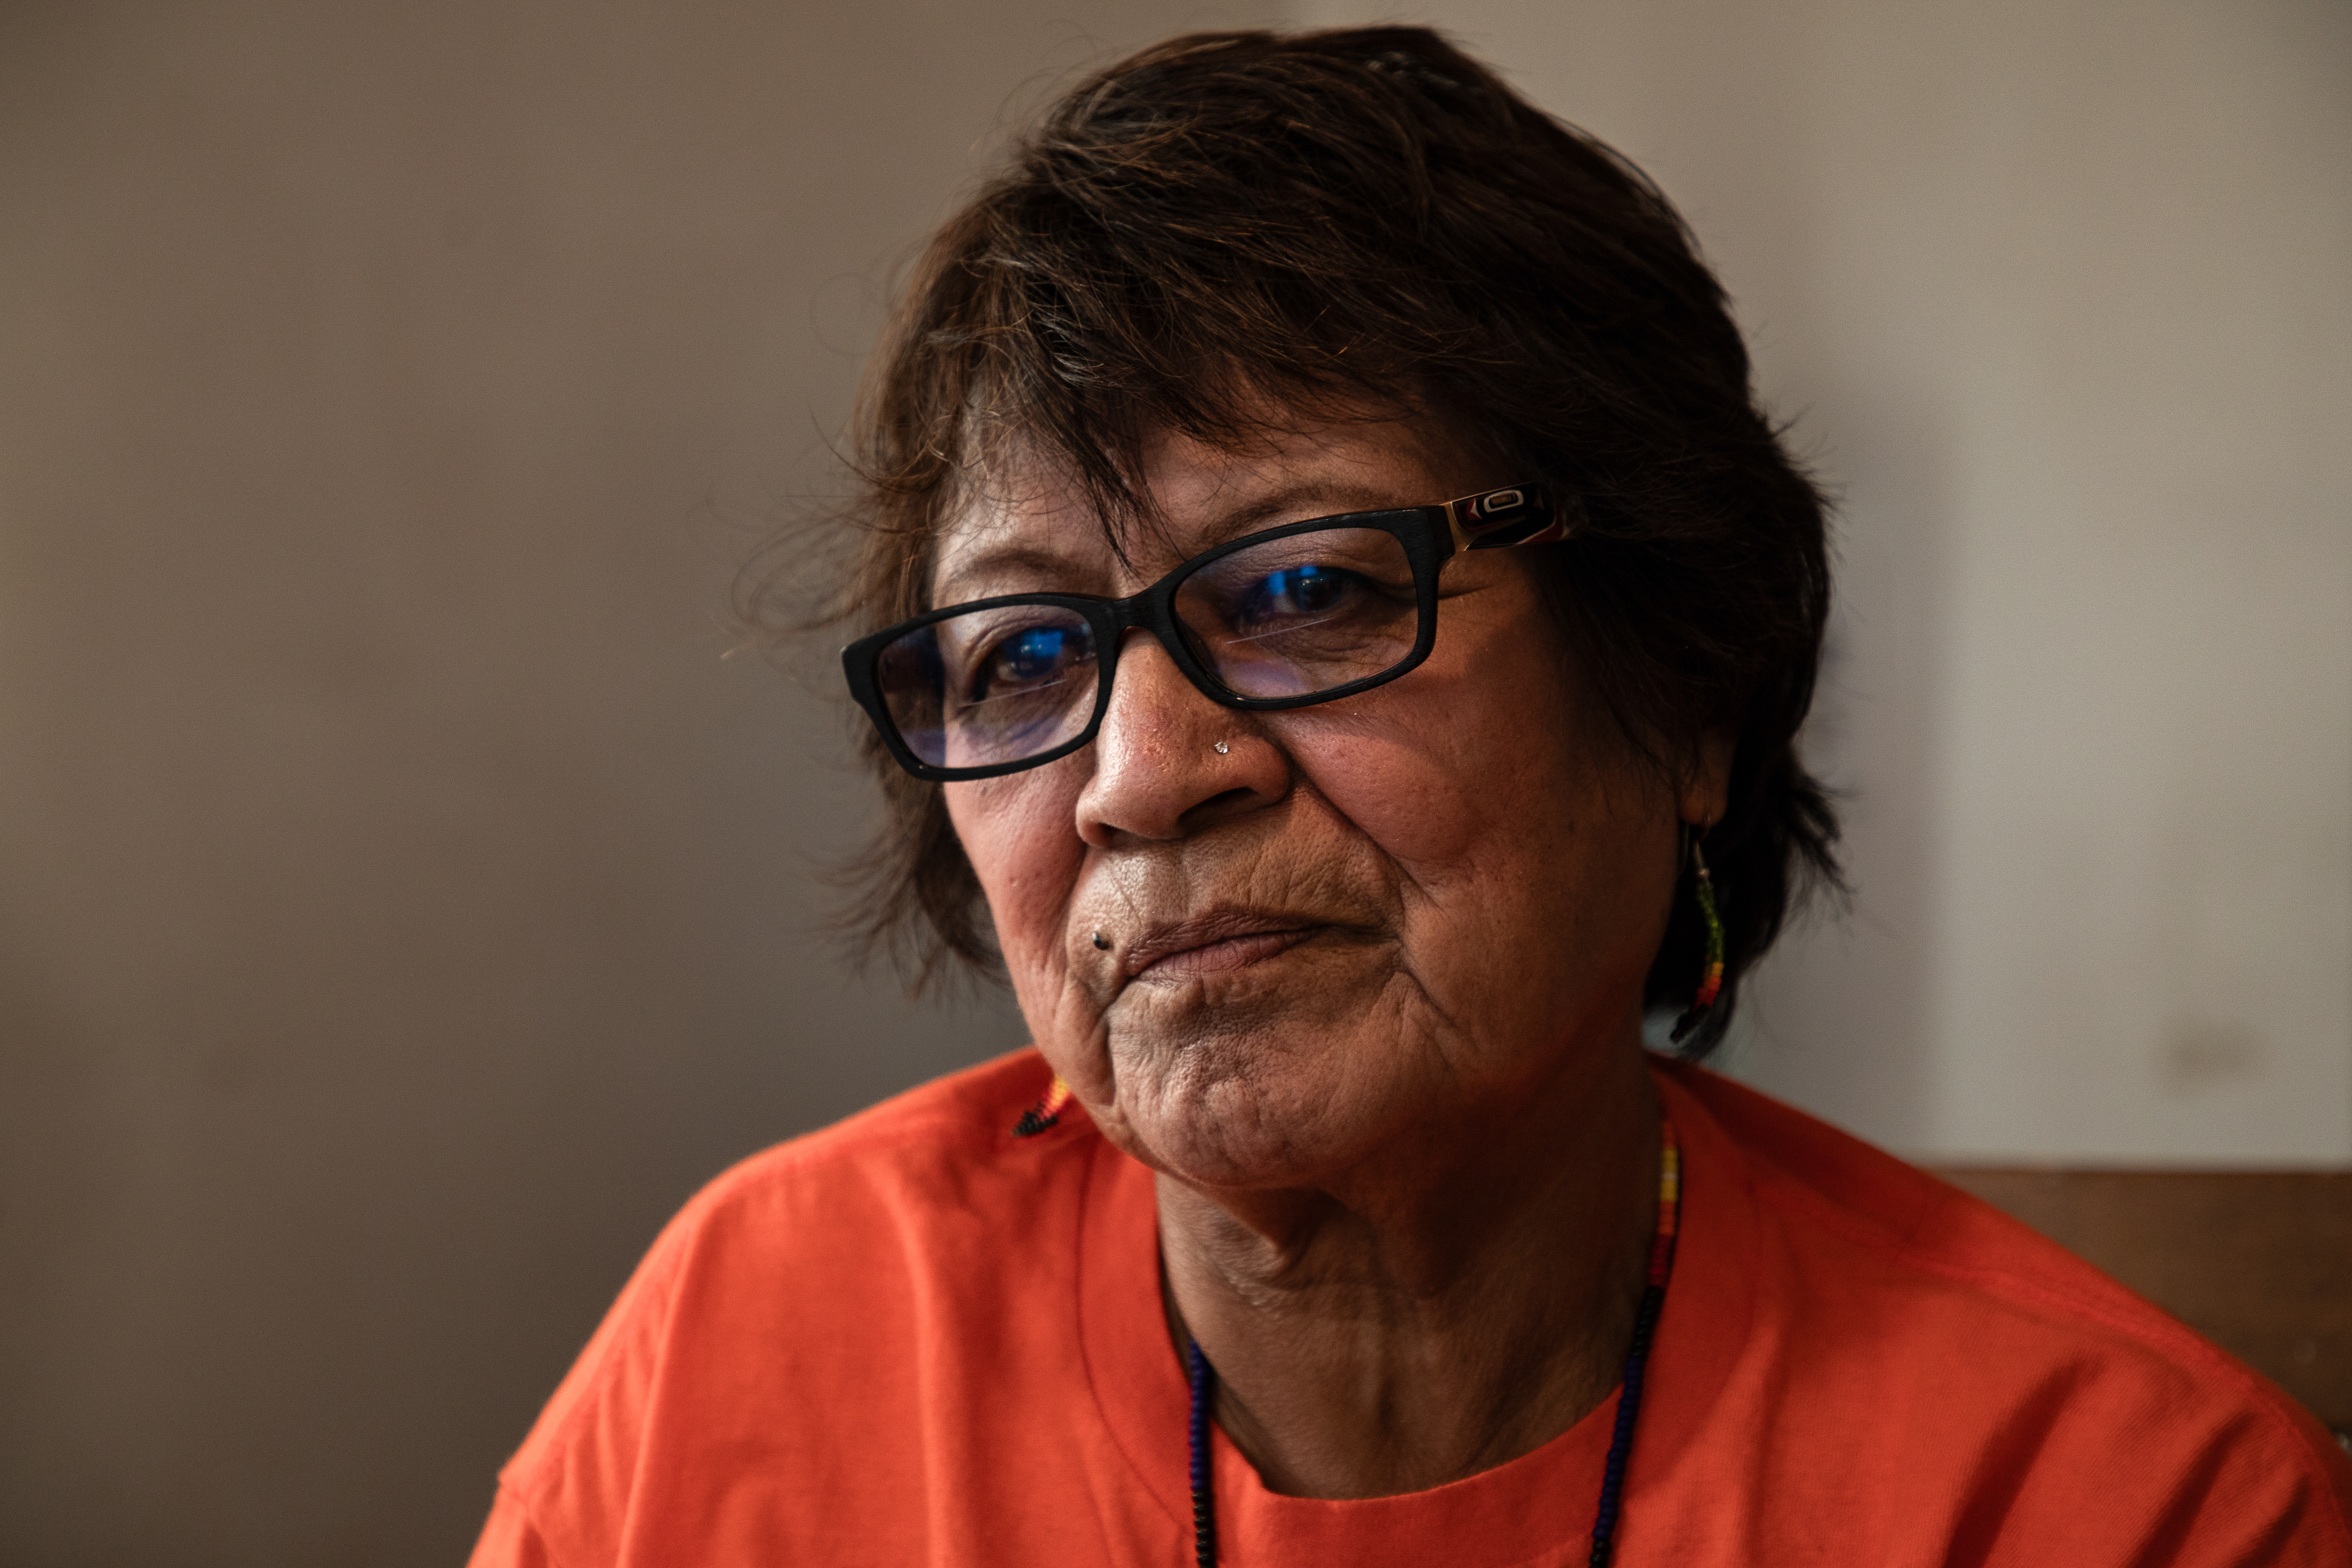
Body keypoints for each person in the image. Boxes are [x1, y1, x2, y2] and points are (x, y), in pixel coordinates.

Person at [468, 27, 2352, 1567]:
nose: (1141, 777)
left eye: (1306, 588)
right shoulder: (745, 1345)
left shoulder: (2116, 1506)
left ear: (1682, 687)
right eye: (1023, 656)